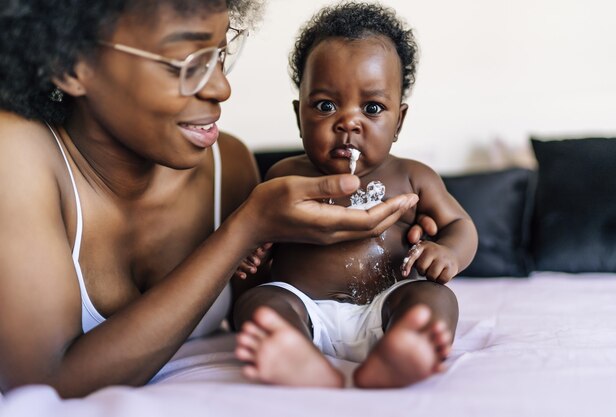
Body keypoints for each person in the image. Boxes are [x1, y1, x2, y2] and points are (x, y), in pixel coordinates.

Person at [0, 0, 432, 398]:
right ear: (70, 65)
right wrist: (246, 226)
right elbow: (46, 384)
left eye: (221, 53)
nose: (222, 88)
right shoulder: (17, 153)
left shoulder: (231, 164)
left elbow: (274, 301)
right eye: (184, 63)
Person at [232, 2, 478, 389]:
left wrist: (447, 253)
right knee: (260, 305)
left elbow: (460, 225)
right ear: (300, 116)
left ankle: (405, 348)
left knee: (437, 300)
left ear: (399, 121)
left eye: (373, 107)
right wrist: (252, 255)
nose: (348, 121)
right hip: (304, 307)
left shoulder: (414, 177)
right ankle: (290, 353)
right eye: (326, 105)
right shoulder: (284, 176)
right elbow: (255, 238)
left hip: (389, 305)